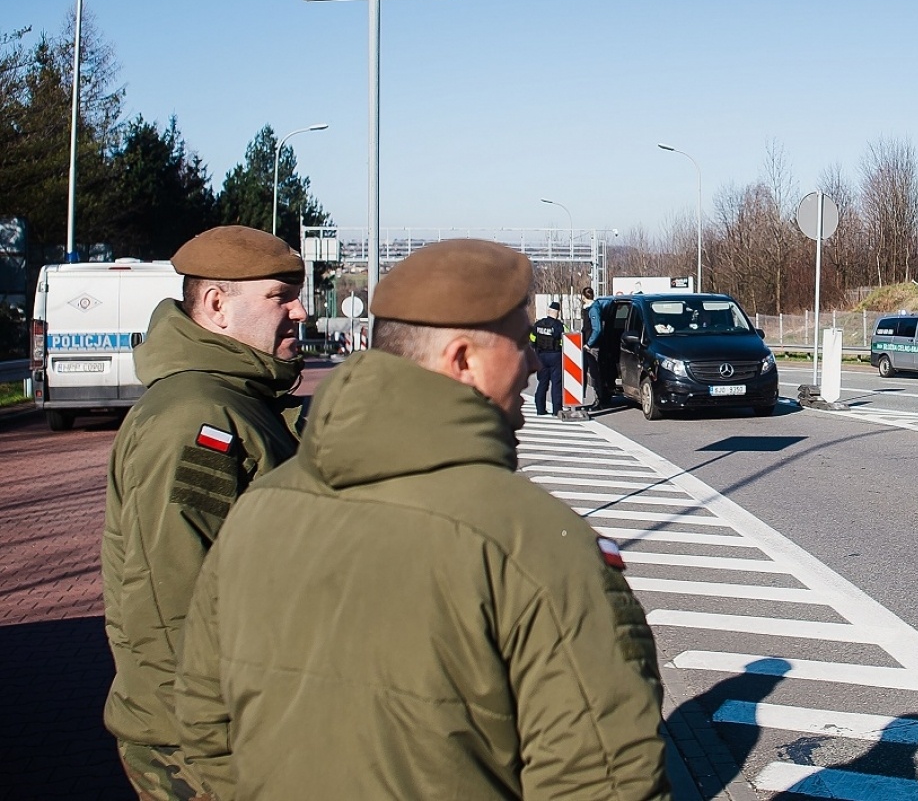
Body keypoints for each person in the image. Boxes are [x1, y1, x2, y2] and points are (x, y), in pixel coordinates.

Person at [175, 239, 669, 800]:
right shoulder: (535, 548)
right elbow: (605, 780)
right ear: (462, 360)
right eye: (519, 340)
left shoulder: (257, 514)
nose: (535, 360)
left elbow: (204, 730)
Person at [102, 226, 308, 801]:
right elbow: (172, 607)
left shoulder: (240, 401)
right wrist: (216, 760)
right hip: (200, 743)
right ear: (217, 306)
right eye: (281, 296)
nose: (302, 310)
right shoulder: (197, 417)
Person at [531, 297, 565, 415]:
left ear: (548, 311)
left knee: (542, 383)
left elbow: (532, 341)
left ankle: (540, 409)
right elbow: (567, 339)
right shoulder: (559, 326)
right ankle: (557, 410)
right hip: (555, 356)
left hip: (541, 356)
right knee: (556, 384)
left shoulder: (537, 325)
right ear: (557, 313)